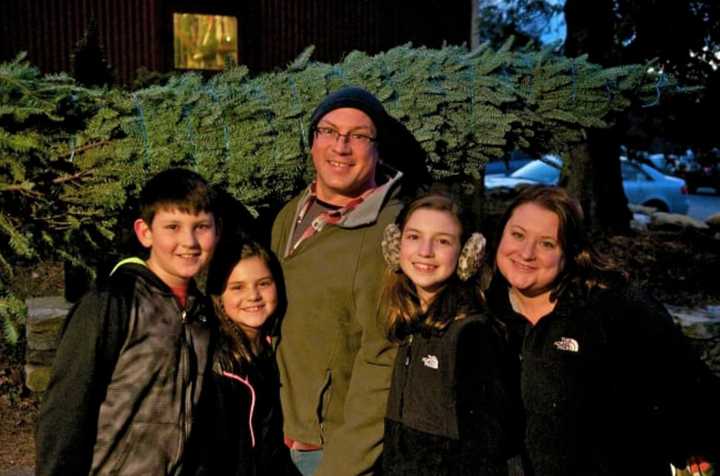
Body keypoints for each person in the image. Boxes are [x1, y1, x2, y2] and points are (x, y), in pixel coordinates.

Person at [486, 185, 720, 476]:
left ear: (570, 251)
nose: (526, 253)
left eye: (547, 243)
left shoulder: (614, 308)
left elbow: (691, 388)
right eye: (517, 235)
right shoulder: (485, 309)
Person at [35, 168, 220, 476]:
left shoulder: (204, 314)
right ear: (145, 232)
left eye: (201, 227)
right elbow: (65, 410)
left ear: (217, 230)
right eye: (172, 227)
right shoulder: (112, 303)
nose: (188, 241)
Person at [271, 86, 411, 476]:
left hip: (330, 452)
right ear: (313, 141)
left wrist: (344, 464)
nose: (341, 146)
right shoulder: (291, 214)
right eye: (329, 131)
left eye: (359, 136)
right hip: (279, 436)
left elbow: (382, 356)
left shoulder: (388, 230)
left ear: (378, 149)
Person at [378, 191, 517, 476]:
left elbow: (485, 450)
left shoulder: (472, 333)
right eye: (414, 237)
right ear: (396, 245)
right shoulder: (413, 322)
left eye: (442, 241)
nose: (425, 251)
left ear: (467, 254)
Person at [201, 235, 299, 476]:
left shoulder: (274, 350)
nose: (253, 295)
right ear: (219, 297)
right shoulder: (217, 367)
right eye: (237, 287)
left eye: (264, 283)